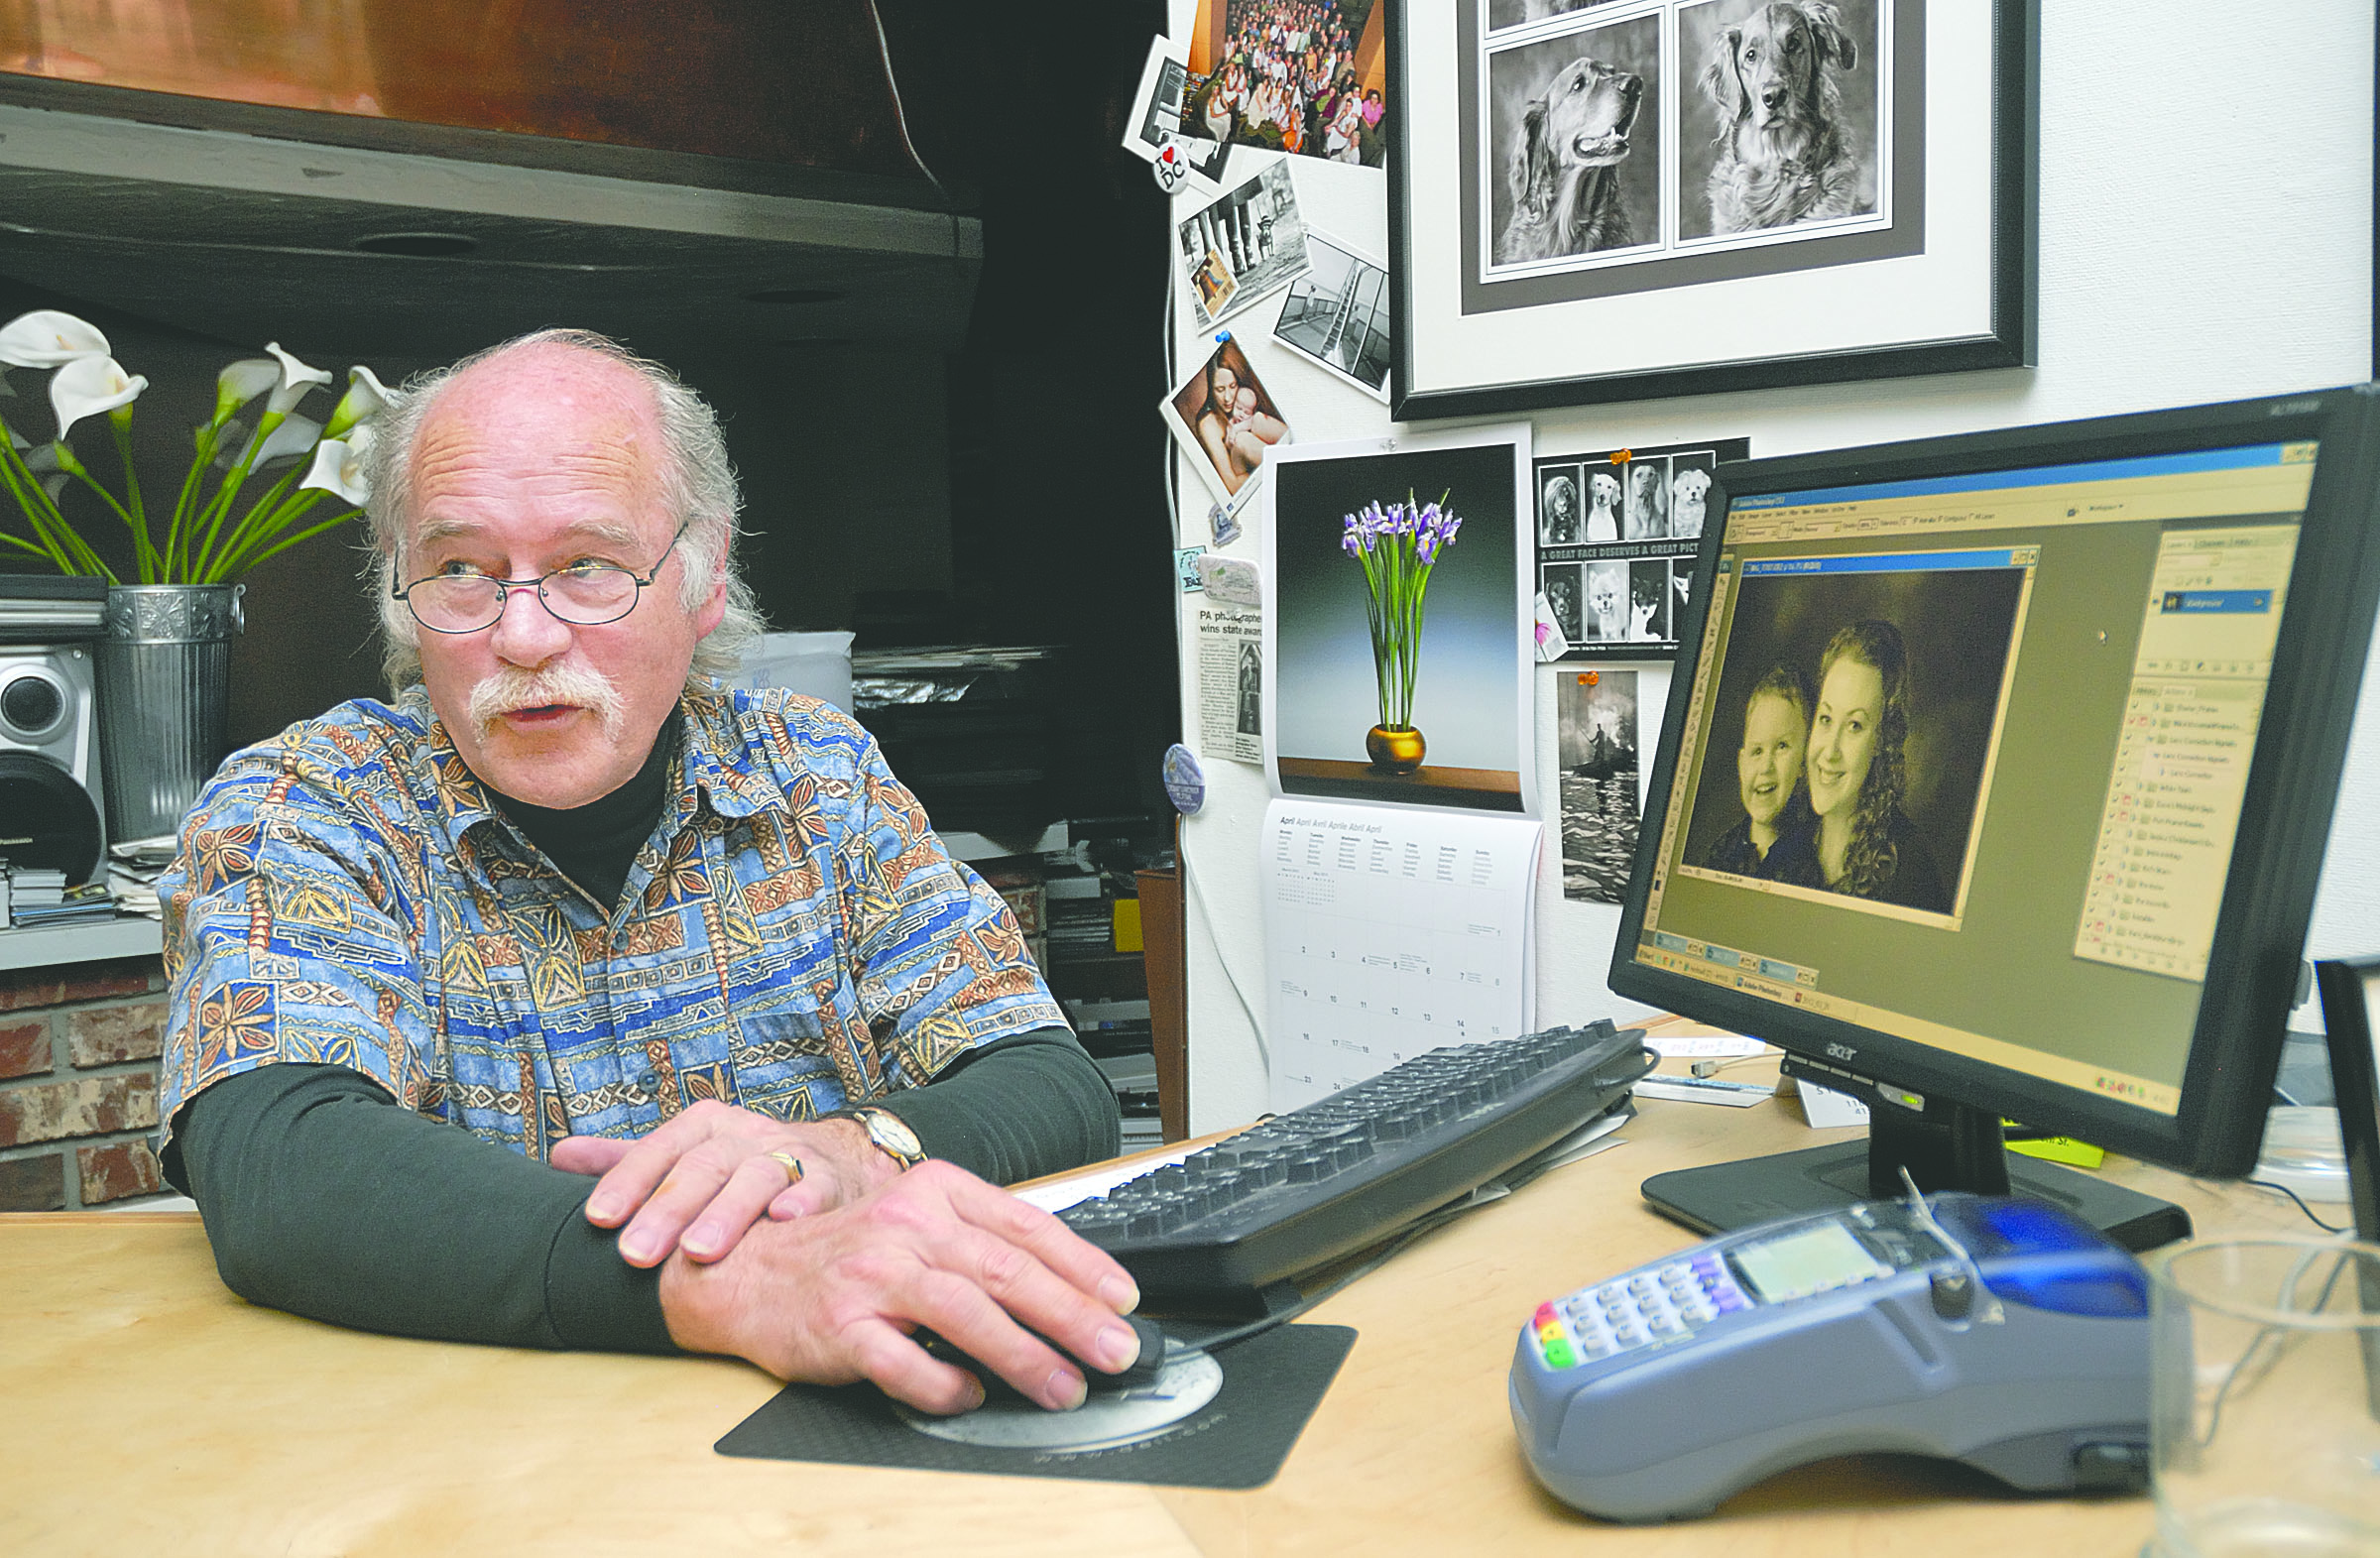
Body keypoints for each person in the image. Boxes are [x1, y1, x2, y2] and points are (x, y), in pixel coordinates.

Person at [155, 329, 1140, 1416]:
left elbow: (1051, 1082)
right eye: (460, 570)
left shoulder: (815, 772)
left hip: (845, 1441)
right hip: (478, 1455)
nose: (523, 634)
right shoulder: (309, 804)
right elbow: (280, 1158)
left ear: (702, 575)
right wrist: (737, 1281)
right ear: (399, 585)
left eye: (587, 564)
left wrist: (859, 1151)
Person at [1806, 620, 1951, 912]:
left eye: (1855, 725)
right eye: (1826, 719)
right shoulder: (1785, 841)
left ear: (1880, 741)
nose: (1830, 751)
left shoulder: (1910, 870)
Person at [1702, 663, 1821, 884]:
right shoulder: (1722, 855)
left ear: (1804, 763)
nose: (1766, 767)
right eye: (1757, 751)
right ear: (1741, 763)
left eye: (1782, 746)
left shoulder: (1814, 856)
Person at [1194, 358, 1285, 494]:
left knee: (1259, 420)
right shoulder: (1209, 423)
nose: (1227, 398)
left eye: (1233, 386)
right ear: (1211, 389)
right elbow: (1232, 485)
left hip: (1271, 462)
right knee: (1242, 439)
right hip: (1255, 480)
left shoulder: (1244, 399)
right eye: (1220, 389)